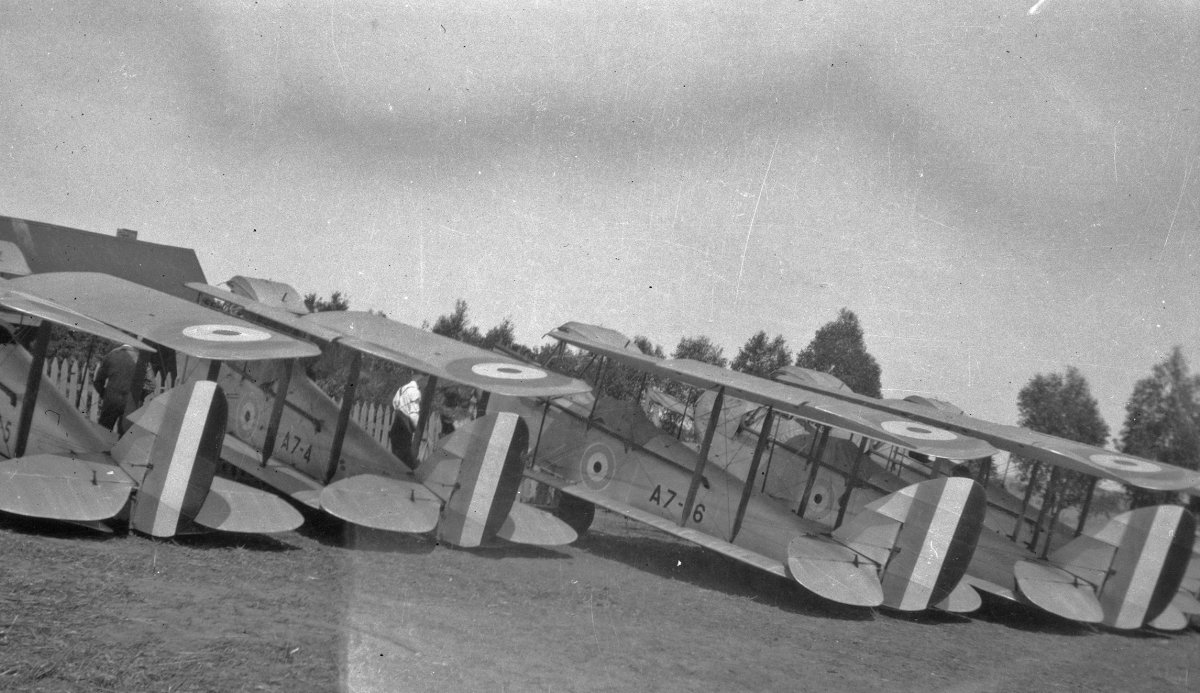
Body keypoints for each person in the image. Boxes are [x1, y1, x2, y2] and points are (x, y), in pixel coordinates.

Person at [93, 344, 152, 434]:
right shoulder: (142, 359)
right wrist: (140, 397)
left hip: (111, 399)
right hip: (130, 402)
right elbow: (151, 384)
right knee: (124, 437)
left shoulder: (111, 355)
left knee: (103, 432)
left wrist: (103, 393)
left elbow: (97, 381)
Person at [388, 376, 422, 468]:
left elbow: (394, 403)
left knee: (396, 456)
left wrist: (401, 409)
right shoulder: (415, 392)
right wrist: (415, 428)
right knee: (404, 460)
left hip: (396, 425)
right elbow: (414, 414)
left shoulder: (401, 389)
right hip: (405, 428)